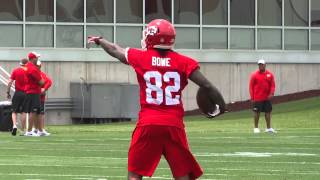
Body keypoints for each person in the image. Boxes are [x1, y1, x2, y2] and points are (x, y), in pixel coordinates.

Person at [88, 19, 226, 180]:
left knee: (135, 173)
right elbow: (207, 86)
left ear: (151, 37)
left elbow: (114, 49)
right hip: (173, 125)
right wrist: (221, 107)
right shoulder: (184, 61)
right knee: (183, 174)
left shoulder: (140, 57)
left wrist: (100, 41)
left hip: (149, 122)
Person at [249, 59, 276, 133]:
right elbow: (251, 87)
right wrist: (252, 97)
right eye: (259, 65)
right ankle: (256, 128)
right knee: (257, 113)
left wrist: (271, 93)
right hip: (257, 98)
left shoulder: (270, 74)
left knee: (268, 112)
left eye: (262, 64)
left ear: (265, 65)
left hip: (267, 98)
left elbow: (272, 86)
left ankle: (268, 128)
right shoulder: (254, 75)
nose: (260, 66)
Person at [23, 51, 44, 136]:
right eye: (37, 57)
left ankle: (39, 130)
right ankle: (29, 131)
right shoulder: (33, 68)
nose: (38, 59)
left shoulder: (28, 66)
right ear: (33, 58)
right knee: (34, 111)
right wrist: (39, 71)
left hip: (32, 91)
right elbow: (41, 82)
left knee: (37, 111)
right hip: (33, 91)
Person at [6, 58, 28, 136]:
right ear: (27, 63)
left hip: (18, 93)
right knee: (23, 112)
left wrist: (8, 92)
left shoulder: (16, 70)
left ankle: (14, 125)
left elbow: (10, 82)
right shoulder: (29, 71)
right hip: (26, 93)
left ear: (20, 63)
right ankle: (23, 130)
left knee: (14, 111)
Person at [36, 60, 52, 136]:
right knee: (37, 113)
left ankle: (39, 129)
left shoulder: (41, 74)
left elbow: (49, 81)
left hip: (39, 97)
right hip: (34, 96)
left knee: (39, 113)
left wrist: (44, 88)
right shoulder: (34, 73)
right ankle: (38, 129)